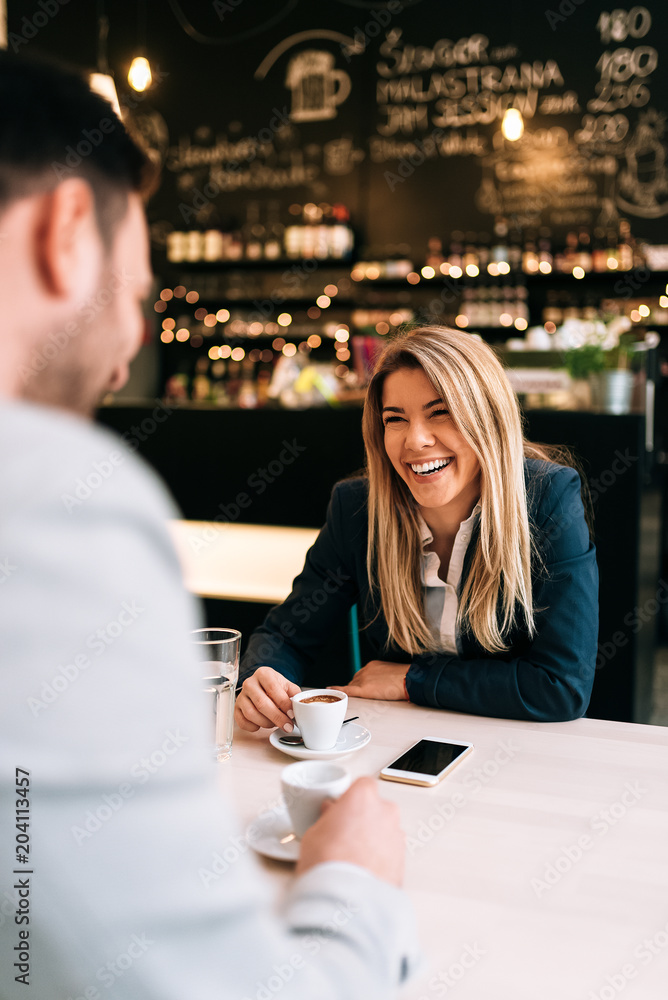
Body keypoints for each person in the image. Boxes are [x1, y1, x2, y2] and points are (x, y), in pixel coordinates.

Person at [0, 52, 416, 1000]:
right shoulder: (55, 502)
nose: (134, 339)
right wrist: (352, 881)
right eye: (138, 292)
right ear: (69, 231)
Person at [236, 326, 599, 733]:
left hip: (517, 750)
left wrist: (412, 679)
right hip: (394, 745)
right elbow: (287, 635)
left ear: (488, 417)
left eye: (439, 412)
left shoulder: (547, 498)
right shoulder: (358, 509)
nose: (416, 440)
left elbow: (561, 686)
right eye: (396, 419)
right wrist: (261, 677)